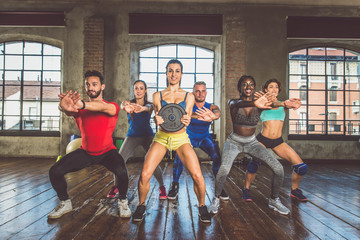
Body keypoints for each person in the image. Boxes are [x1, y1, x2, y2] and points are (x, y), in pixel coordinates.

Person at [132, 59, 211, 223]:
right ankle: (141, 205)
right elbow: (158, 116)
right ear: (166, 73)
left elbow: (187, 116)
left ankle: (202, 206)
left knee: (197, 175)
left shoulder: (189, 96)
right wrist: (156, 119)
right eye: (170, 70)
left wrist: (188, 120)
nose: (173, 74)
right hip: (161, 137)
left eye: (177, 71)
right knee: (145, 174)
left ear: (181, 74)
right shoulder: (157, 95)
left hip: (181, 138)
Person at [208, 75, 299, 215]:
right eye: (244, 84)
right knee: (224, 170)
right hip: (234, 142)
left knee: (279, 168)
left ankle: (274, 200)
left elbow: (273, 104)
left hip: (252, 142)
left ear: (254, 87)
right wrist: (255, 104)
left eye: (251, 84)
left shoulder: (261, 104)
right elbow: (238, 104)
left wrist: (285, 104)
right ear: (240, 88)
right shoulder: (233, 103)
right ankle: (216, 198)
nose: (248, 87)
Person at [48, 70, 130, 219]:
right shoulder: (80, 109)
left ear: (102, 86)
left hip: (107, 152)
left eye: (94, 84)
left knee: (122, 172)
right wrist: (62, 106)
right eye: (87, 84)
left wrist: (82, 104)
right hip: (85, 152)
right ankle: (65, 202)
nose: (90, 87)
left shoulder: (112, 106)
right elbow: (68, 110)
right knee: (55, 171)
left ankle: (123, 201)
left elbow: (101, 107)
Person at [243, 78, 307, 202]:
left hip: (278, 141)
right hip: (262, 139)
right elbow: (267, 105)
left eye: (276, 87)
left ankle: (295, 190)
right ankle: (246, 189)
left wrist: (297, 103)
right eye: (271, 87)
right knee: (254, 164)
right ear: (266, 90)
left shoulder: (284, 105)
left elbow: (290, 104)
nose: (274, 89)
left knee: (301, 167)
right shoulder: (261, 103)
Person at [106, 80, 167, 200]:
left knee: (153, 162)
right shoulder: (129, 103)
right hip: (132, 136)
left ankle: (162, 187)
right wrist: (126, 107)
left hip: (147, 136)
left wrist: (142, 108)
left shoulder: (149, 104)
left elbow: (150, 108)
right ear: (133, 90)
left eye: (141, 88)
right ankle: (116, 186)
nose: (138, 91)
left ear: (145, 90)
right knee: (118, 161)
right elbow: (123, 104)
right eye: (136, 88)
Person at [167, 81, 228, 200]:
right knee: (179, 157)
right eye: (197, 91)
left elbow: (217, 112)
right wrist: (198, 115)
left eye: (203, 91)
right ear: (193, 93)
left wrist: (214, 116)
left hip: (204, 137)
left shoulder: (211, 107)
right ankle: (175, 184)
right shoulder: (188, 106)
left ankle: (219, 187)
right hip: (188, 137)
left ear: (206, 92)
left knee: (217, 156)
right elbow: (185, 114)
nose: (200, 94)